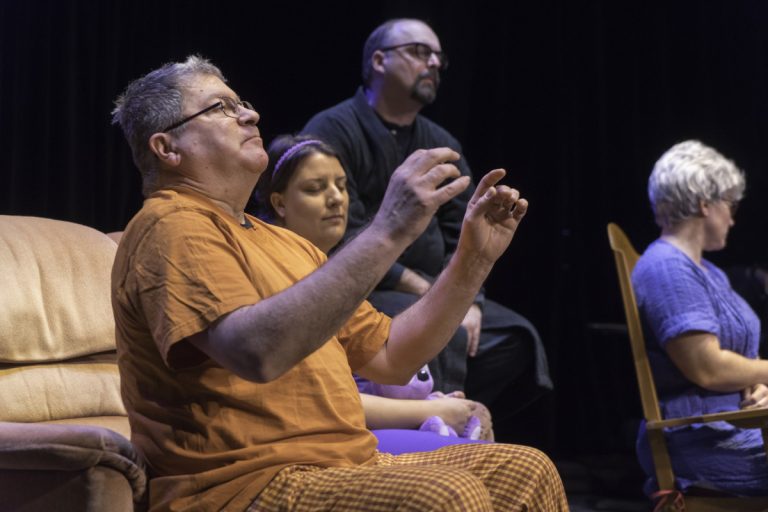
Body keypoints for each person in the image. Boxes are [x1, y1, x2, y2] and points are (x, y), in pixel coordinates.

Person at [111, 55, 567, 511]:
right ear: (167, 148)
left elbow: (392, 358)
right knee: (446, 495)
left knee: (526, 470)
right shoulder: (170, 224)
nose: (249, 114)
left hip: (347, 466)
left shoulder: (289, 245)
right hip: (244, 485)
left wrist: (473, 260)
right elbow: (255, 353)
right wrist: (388, 228)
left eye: (241, 103)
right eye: (220, 108)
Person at [302, 18, 552, 442]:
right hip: (367, 286)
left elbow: (462, 228)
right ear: (379, 61)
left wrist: (471, 299)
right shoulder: (333, 130)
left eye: (439, 56)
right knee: (446, 331)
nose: (434, 63)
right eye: (420, 52)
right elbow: (341, 232)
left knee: (516, 338)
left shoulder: (439, 139)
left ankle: (453, 410)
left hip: (438, 284)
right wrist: (427, 291)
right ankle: (437, 431)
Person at [248, 134, 494, 449]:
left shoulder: (331, 273)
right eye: (315, 189)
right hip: (308, 442)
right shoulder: (270, 269)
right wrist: (430, 410)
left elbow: (391, 359)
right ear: (279, 203)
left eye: (341, 185)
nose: (336, 198)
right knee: (495, 465)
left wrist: (475, 258)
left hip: (356, 425)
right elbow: (304, 397)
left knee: (494, 447)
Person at [633, 139, 768, 496]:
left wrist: (759, 387)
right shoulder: (667, 268)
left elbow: (740, 359)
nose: (733, 217)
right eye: (730, 204)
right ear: (705, 204)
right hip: (701, 439)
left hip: (739, 424)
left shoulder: (709, 272)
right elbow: (708, 368)